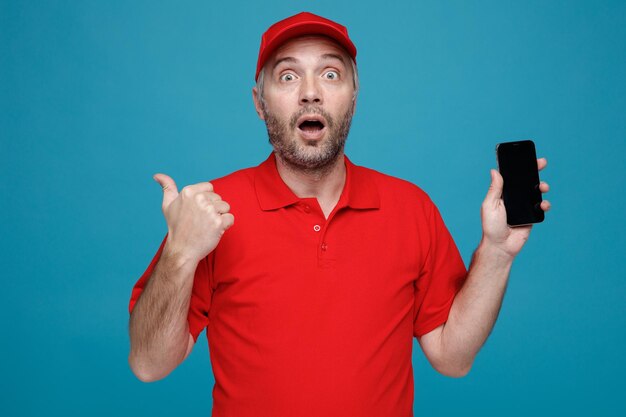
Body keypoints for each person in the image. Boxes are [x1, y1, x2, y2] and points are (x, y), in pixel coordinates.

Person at [128, 11, 551, 417]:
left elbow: (452, 357)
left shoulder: (411, 208)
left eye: (331, 74)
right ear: (259, 103)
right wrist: (180, 252)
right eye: (288, 76)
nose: (310, 92)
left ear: (353, 96)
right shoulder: (211, 211)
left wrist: (497, 252)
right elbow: (149, 365)